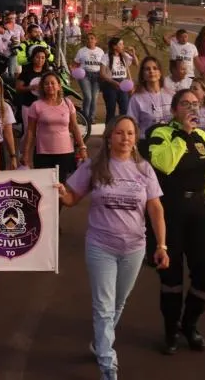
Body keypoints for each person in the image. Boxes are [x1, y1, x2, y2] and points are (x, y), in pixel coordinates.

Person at [58, 116, 168, 380]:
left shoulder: (143, 169)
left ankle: (100, 343)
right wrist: (62, 192)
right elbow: (72, 198)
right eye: (120, 133)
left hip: (134, 247)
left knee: (118, 302)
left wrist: (162, 244)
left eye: (130, 133)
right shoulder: (94, 167)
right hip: (100, 246)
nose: (125, 138)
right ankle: (108, 365)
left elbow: (155, 208)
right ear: (109, 137)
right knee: (104, 307)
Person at [145, 89, 205, 355]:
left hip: (198, 210)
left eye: (195, 103)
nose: (192, 108)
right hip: (170, 211)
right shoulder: (161, 134)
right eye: (185, 104)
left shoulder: (203, 137)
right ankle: (170, 329)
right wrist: (183, 135)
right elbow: (164, 165)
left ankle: (189, 325)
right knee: (171, 275)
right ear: (174, 109)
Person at [22, 71, 87, 181]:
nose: (50, 86)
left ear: (59, 86)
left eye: (53, 83)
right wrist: (26, 154)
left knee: (63, 187)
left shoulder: (68, 103)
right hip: (43, 154)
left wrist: (82, 147)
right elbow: (30, 132)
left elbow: (75, 127)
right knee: (44, 187)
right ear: (42, 87)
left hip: (66, 152)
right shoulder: (36, 106)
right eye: (46, 84)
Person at [126, 57, 173, 141]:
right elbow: (132, 124)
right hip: (147, 141)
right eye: (147, 69)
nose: (151, 71)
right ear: (143, 74)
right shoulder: (136, 98)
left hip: (170, 140)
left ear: (160, 73)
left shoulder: (171, 95)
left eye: (155, 68)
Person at [72, 32, 105, 126]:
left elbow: (104, 65)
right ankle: (85, 117)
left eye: (92, 38)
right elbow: (75, 64)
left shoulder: (100, 51)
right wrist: (73, 70)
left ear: (96, 40)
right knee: (88, 97)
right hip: (84, 75)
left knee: (94, 98)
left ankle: (92, 117)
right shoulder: (82, 51)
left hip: (97, 76)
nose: (90, 40)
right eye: (88, 38)